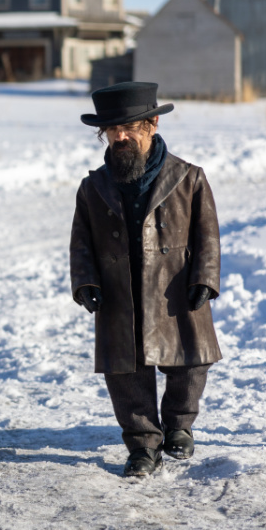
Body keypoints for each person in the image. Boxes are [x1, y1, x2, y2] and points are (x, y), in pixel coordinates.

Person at [70, 82, 222, 477]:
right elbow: (81, 242)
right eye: (111, 130)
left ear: (152, 124)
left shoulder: (189, 178)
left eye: (129, 127)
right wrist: (85, 281)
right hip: (120, 293)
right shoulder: (92, 187)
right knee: (125, 372)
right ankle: (141, 444)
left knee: (189, 363)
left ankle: (179, 426)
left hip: (176, 290)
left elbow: (208, 235)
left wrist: (205, 278)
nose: (120, 137)